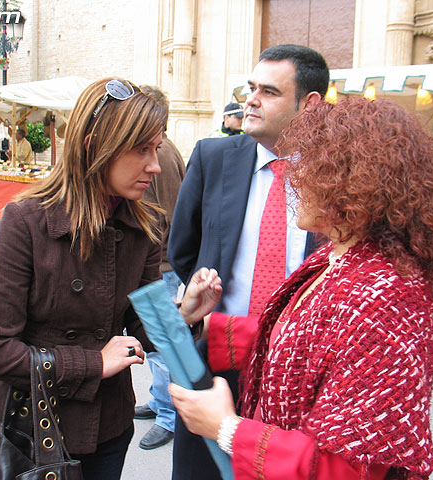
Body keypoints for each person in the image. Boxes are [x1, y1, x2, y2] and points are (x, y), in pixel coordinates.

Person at [170, 97, 433, 480]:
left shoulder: (386, 296)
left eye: (309, 164)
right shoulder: (338, 256)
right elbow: (304, 342)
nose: (292, 177)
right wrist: (204, 323)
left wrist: (226, 428)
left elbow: (344, 467)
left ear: (355, 181)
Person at [0, 78, 167, 480]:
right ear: (95, 144)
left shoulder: (146, 225)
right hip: (32, 426)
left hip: (109, 428)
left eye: (157, 149)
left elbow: (144, 332)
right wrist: (93, 363)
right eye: (141, 149)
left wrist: (187, 315)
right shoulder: (27, 220)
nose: (155, 166)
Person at [168, 44, 328, 479]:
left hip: (298, 371)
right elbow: (182, 248)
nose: (251, 100)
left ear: (309, 104)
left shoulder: (337, 177)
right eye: (250, 87)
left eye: (269, 91)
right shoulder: (212, 157)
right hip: (217, 360)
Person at [133, 85, 186, 450]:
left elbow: (153, 216)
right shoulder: (169, 149)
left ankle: (168, 417)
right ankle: (158, 402)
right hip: (167, 260)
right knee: (158, 344)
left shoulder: (154, 155)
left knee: (160, 346)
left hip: (160, 263)